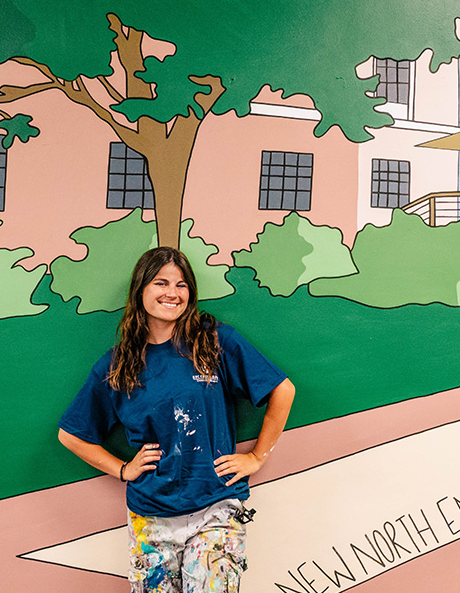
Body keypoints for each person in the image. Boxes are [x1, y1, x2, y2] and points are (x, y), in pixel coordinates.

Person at [59, 246, 295, 592]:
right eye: (161, 283)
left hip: (215, 507)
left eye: (182, 285)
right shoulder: (118, 364)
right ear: (141, 290)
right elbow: (72, 434)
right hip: (151, 516)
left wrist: (257, 457)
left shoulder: (214, 342)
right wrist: (123, 469)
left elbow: (283, 390)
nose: (172, 293)